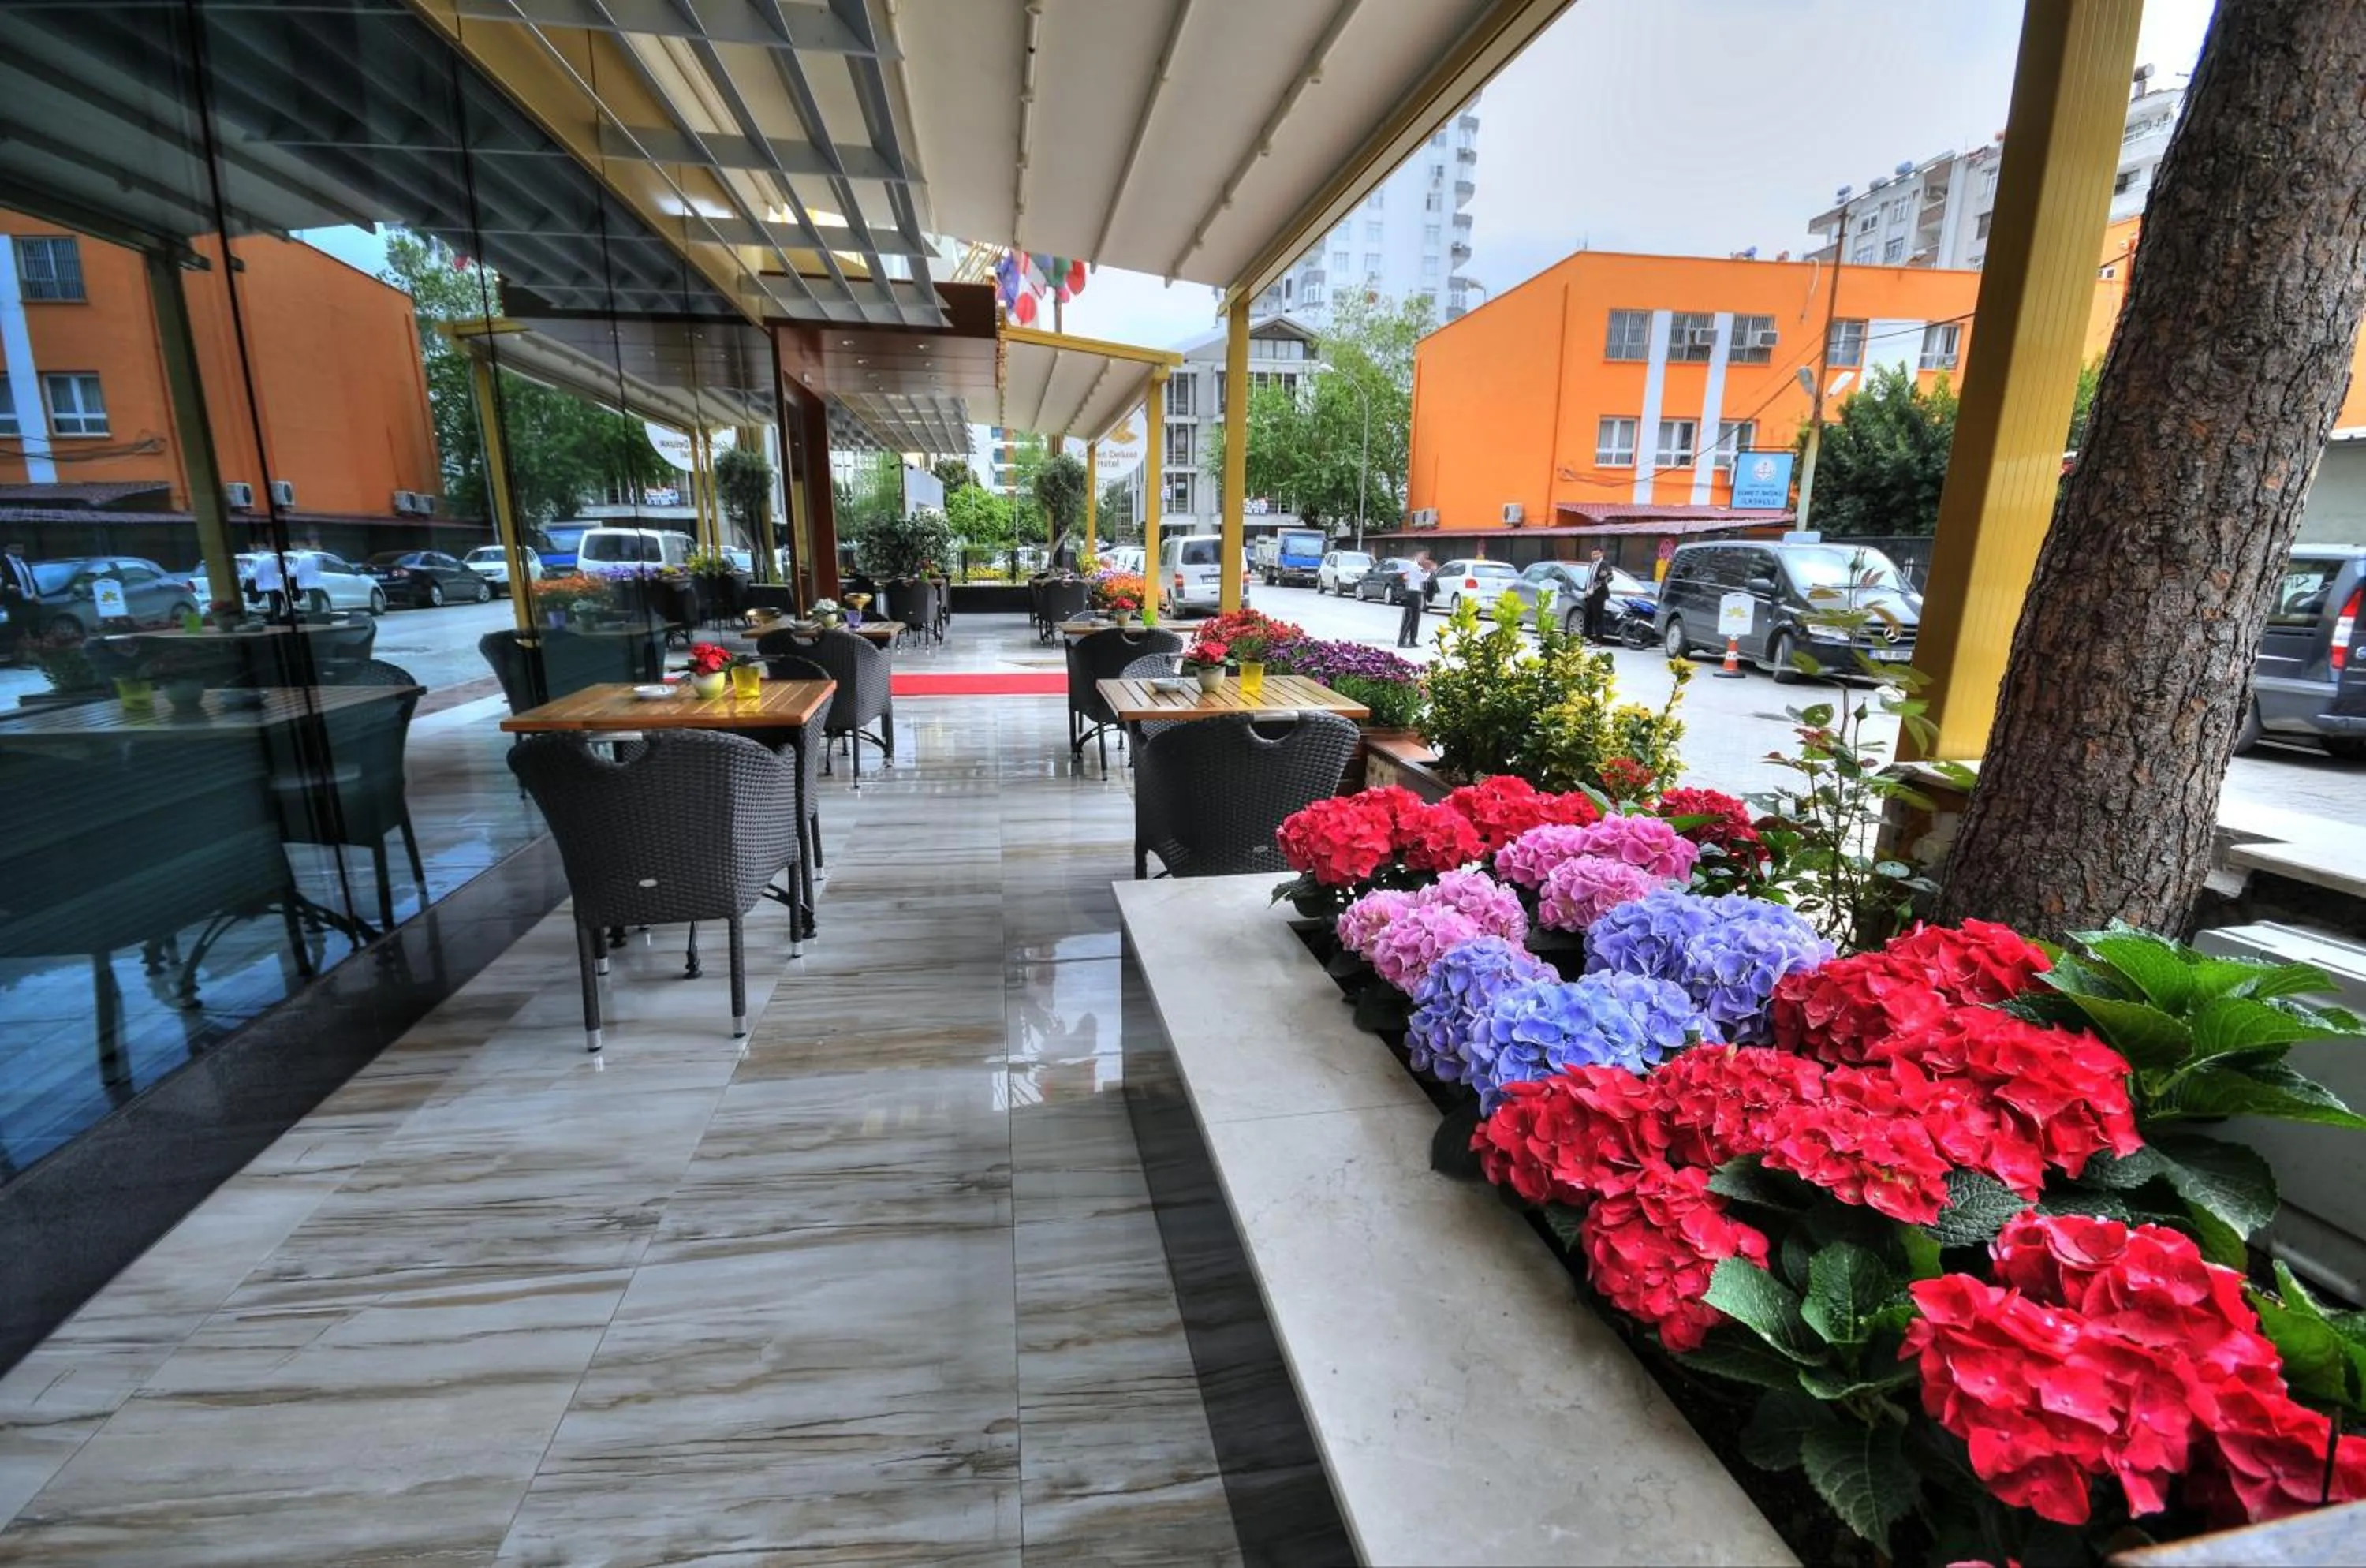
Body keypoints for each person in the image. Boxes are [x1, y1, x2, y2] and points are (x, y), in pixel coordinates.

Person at [2, 541, 39, 664]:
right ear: (7, 549)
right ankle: (21, 659)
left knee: (32, 630)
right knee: (19, 632)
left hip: (30, 601)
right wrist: (8, 587)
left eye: (20, 549)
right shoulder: (3, 563)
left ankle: (32, 656)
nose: (18, 551)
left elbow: (31, 580)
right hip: (14, 603)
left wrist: (37, 594)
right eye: (15, 548)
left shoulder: (23, 562)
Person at [1396, 552, 1435, 649]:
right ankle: (1402, 640)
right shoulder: (1413, 566)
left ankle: (1412, 640)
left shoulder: (1417, 567)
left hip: (1415, 592)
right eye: (1423, 558)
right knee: (1409, 617)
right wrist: (1429, 571)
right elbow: (1423, 577)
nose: (1424, 560)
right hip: (1412, 593)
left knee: (1415, 618)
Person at [1581, 549, 1614, 643]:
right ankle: (1586, 638)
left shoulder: (1604, 565)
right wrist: (1586, 590)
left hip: (1599, 595)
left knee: (1598, 618)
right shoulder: (1592, 565)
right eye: (1593, 554)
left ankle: (1598, 640)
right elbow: (1589, 579)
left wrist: (1601, 581)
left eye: (1596, 554)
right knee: (1588, 617)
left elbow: (1610, 577)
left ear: (1602, 554)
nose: (1594, 556)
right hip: (1589, 595)